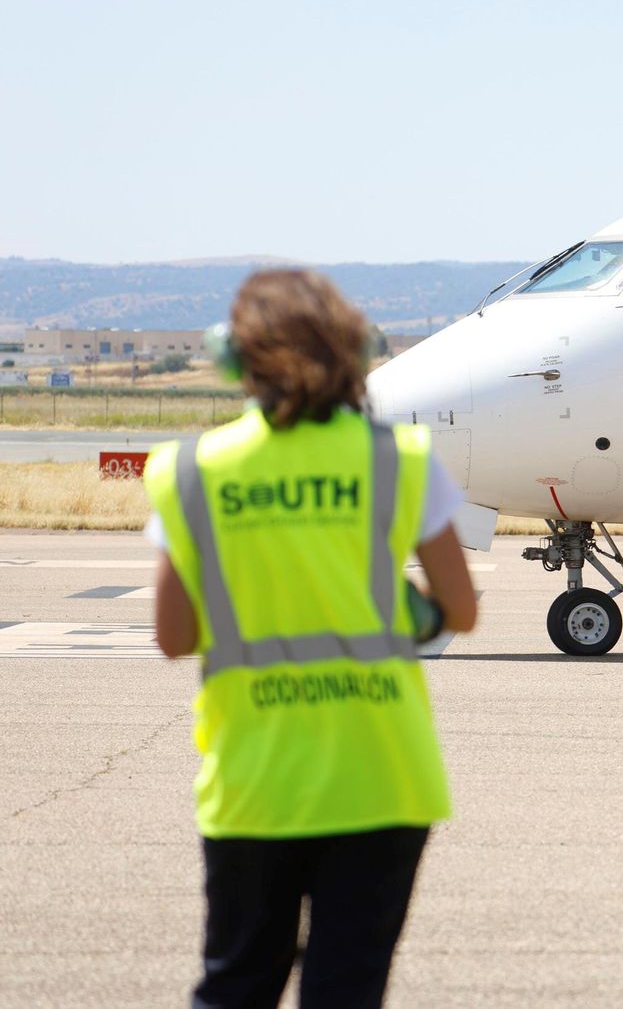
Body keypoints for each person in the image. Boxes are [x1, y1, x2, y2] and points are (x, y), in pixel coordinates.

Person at [143, 269, 477, 1009]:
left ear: (234, 360)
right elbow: (460, 607)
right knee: (345, 991)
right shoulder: (401, 459)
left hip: (254, 782)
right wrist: (400, 609)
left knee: (235, 986)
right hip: (382, 777)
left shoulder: (191, 472)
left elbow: (173, 636)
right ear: (358, 351)